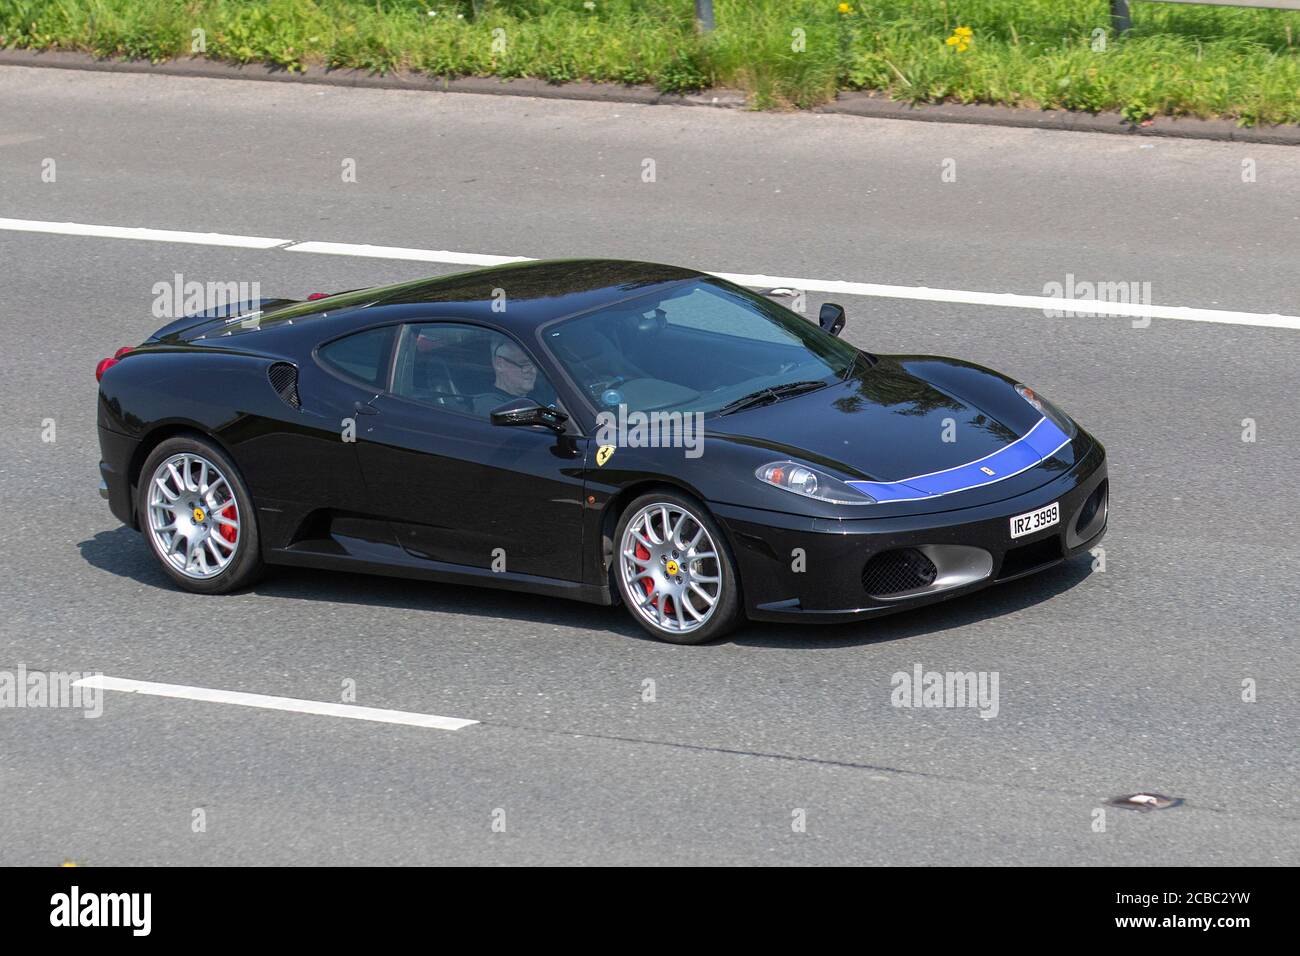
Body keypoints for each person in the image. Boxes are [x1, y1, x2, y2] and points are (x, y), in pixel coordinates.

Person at [473, 338, 541, 417]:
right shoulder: (490, 407)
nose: (533, 371)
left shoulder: (545, 389)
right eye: (524, 364)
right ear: (500, 364)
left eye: (534, 364)